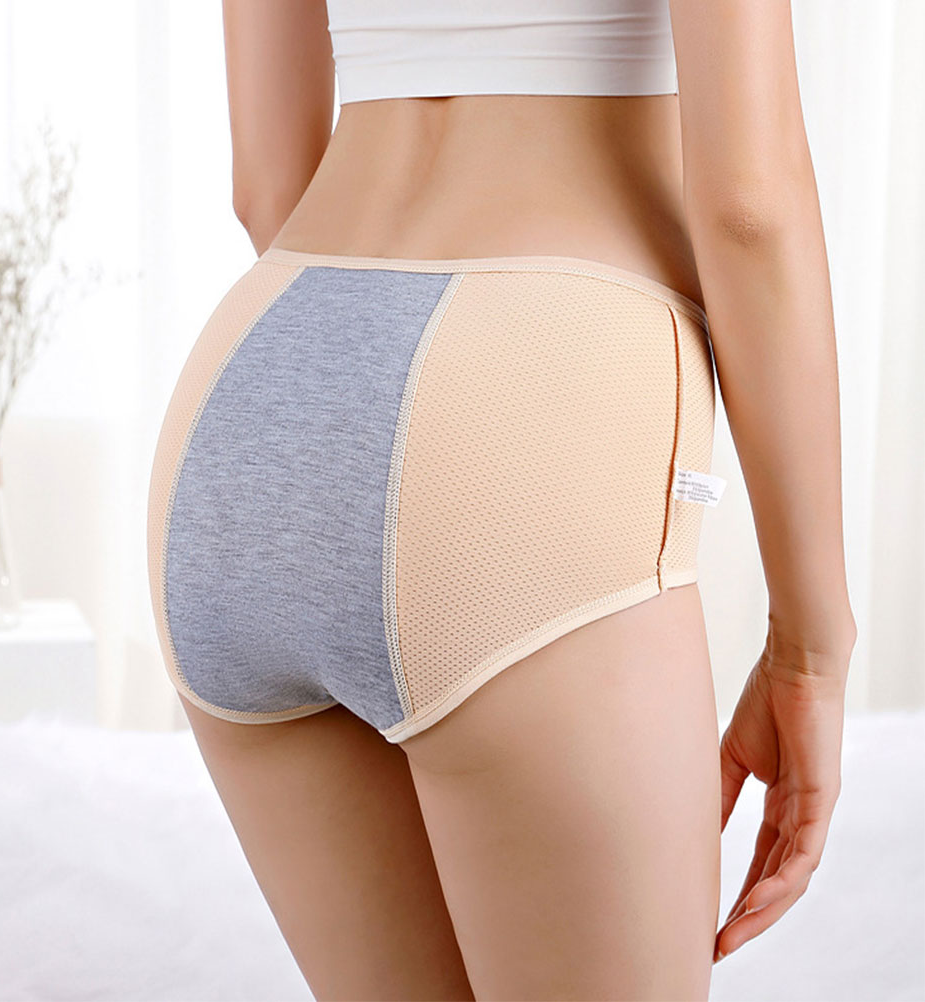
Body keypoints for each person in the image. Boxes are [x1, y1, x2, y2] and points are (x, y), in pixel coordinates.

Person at [145, 0, 858, 998]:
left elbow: (266, 181)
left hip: (262, 382)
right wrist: (808, 649)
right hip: (531, 377)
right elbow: (748, 202)